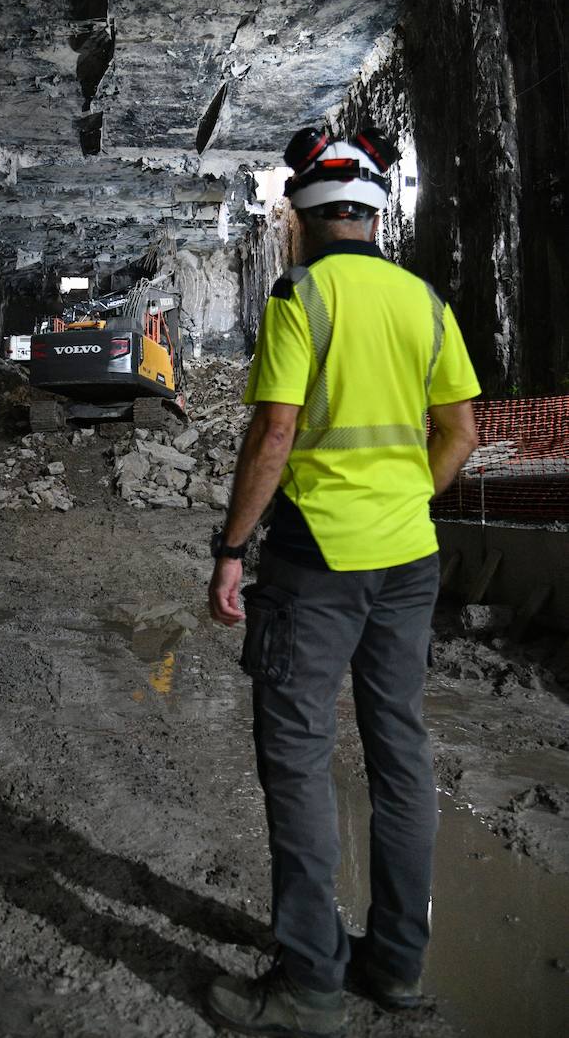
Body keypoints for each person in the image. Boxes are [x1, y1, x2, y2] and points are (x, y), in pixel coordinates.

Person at [205, 127, 481, 1037]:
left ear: (304, 219)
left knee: (297, 759)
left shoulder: (300, 296)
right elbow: (461, 434)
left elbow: (274, 434)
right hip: (408, 559)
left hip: (316, 559)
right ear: (371, 215)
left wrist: (233, 548)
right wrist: (407, 497)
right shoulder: (426, 300)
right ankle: (396, 966)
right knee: (399, 755)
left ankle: (312, 985)